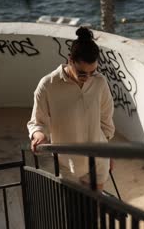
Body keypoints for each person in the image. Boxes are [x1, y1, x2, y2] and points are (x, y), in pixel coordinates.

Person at [27, 27, 115, 190]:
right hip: (68, 164)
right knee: (74, 207)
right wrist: (38, 135)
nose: (88, 77)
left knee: (93, 208)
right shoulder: (48, 85)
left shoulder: (100, 82)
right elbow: (37, 122)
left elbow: (106, 121)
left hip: (98, 160)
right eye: (82, 72)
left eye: (92, 71)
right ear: (70, 60)